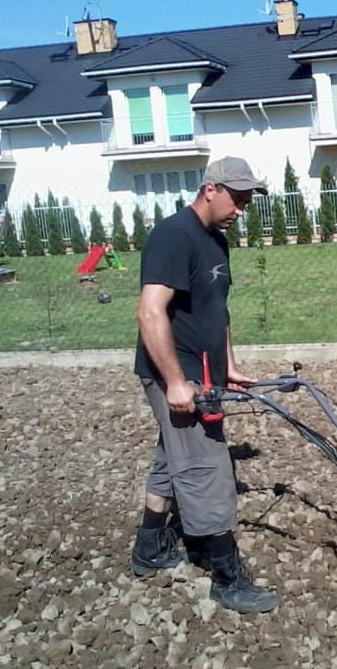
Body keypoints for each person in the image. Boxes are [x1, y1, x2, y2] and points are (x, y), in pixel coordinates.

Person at [130, 156, 281, 613]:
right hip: (176, 373)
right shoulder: (174, 235)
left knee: (173, 457)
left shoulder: (216, 241)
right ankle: (227, 577)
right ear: (210, 189)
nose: (241, 209)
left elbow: (217, 308)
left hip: (206, 370)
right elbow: (150, 311)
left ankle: (150, 548)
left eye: (247, 201)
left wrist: (229, 362)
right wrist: (176, 382)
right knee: (207, 468)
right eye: (237, 199)